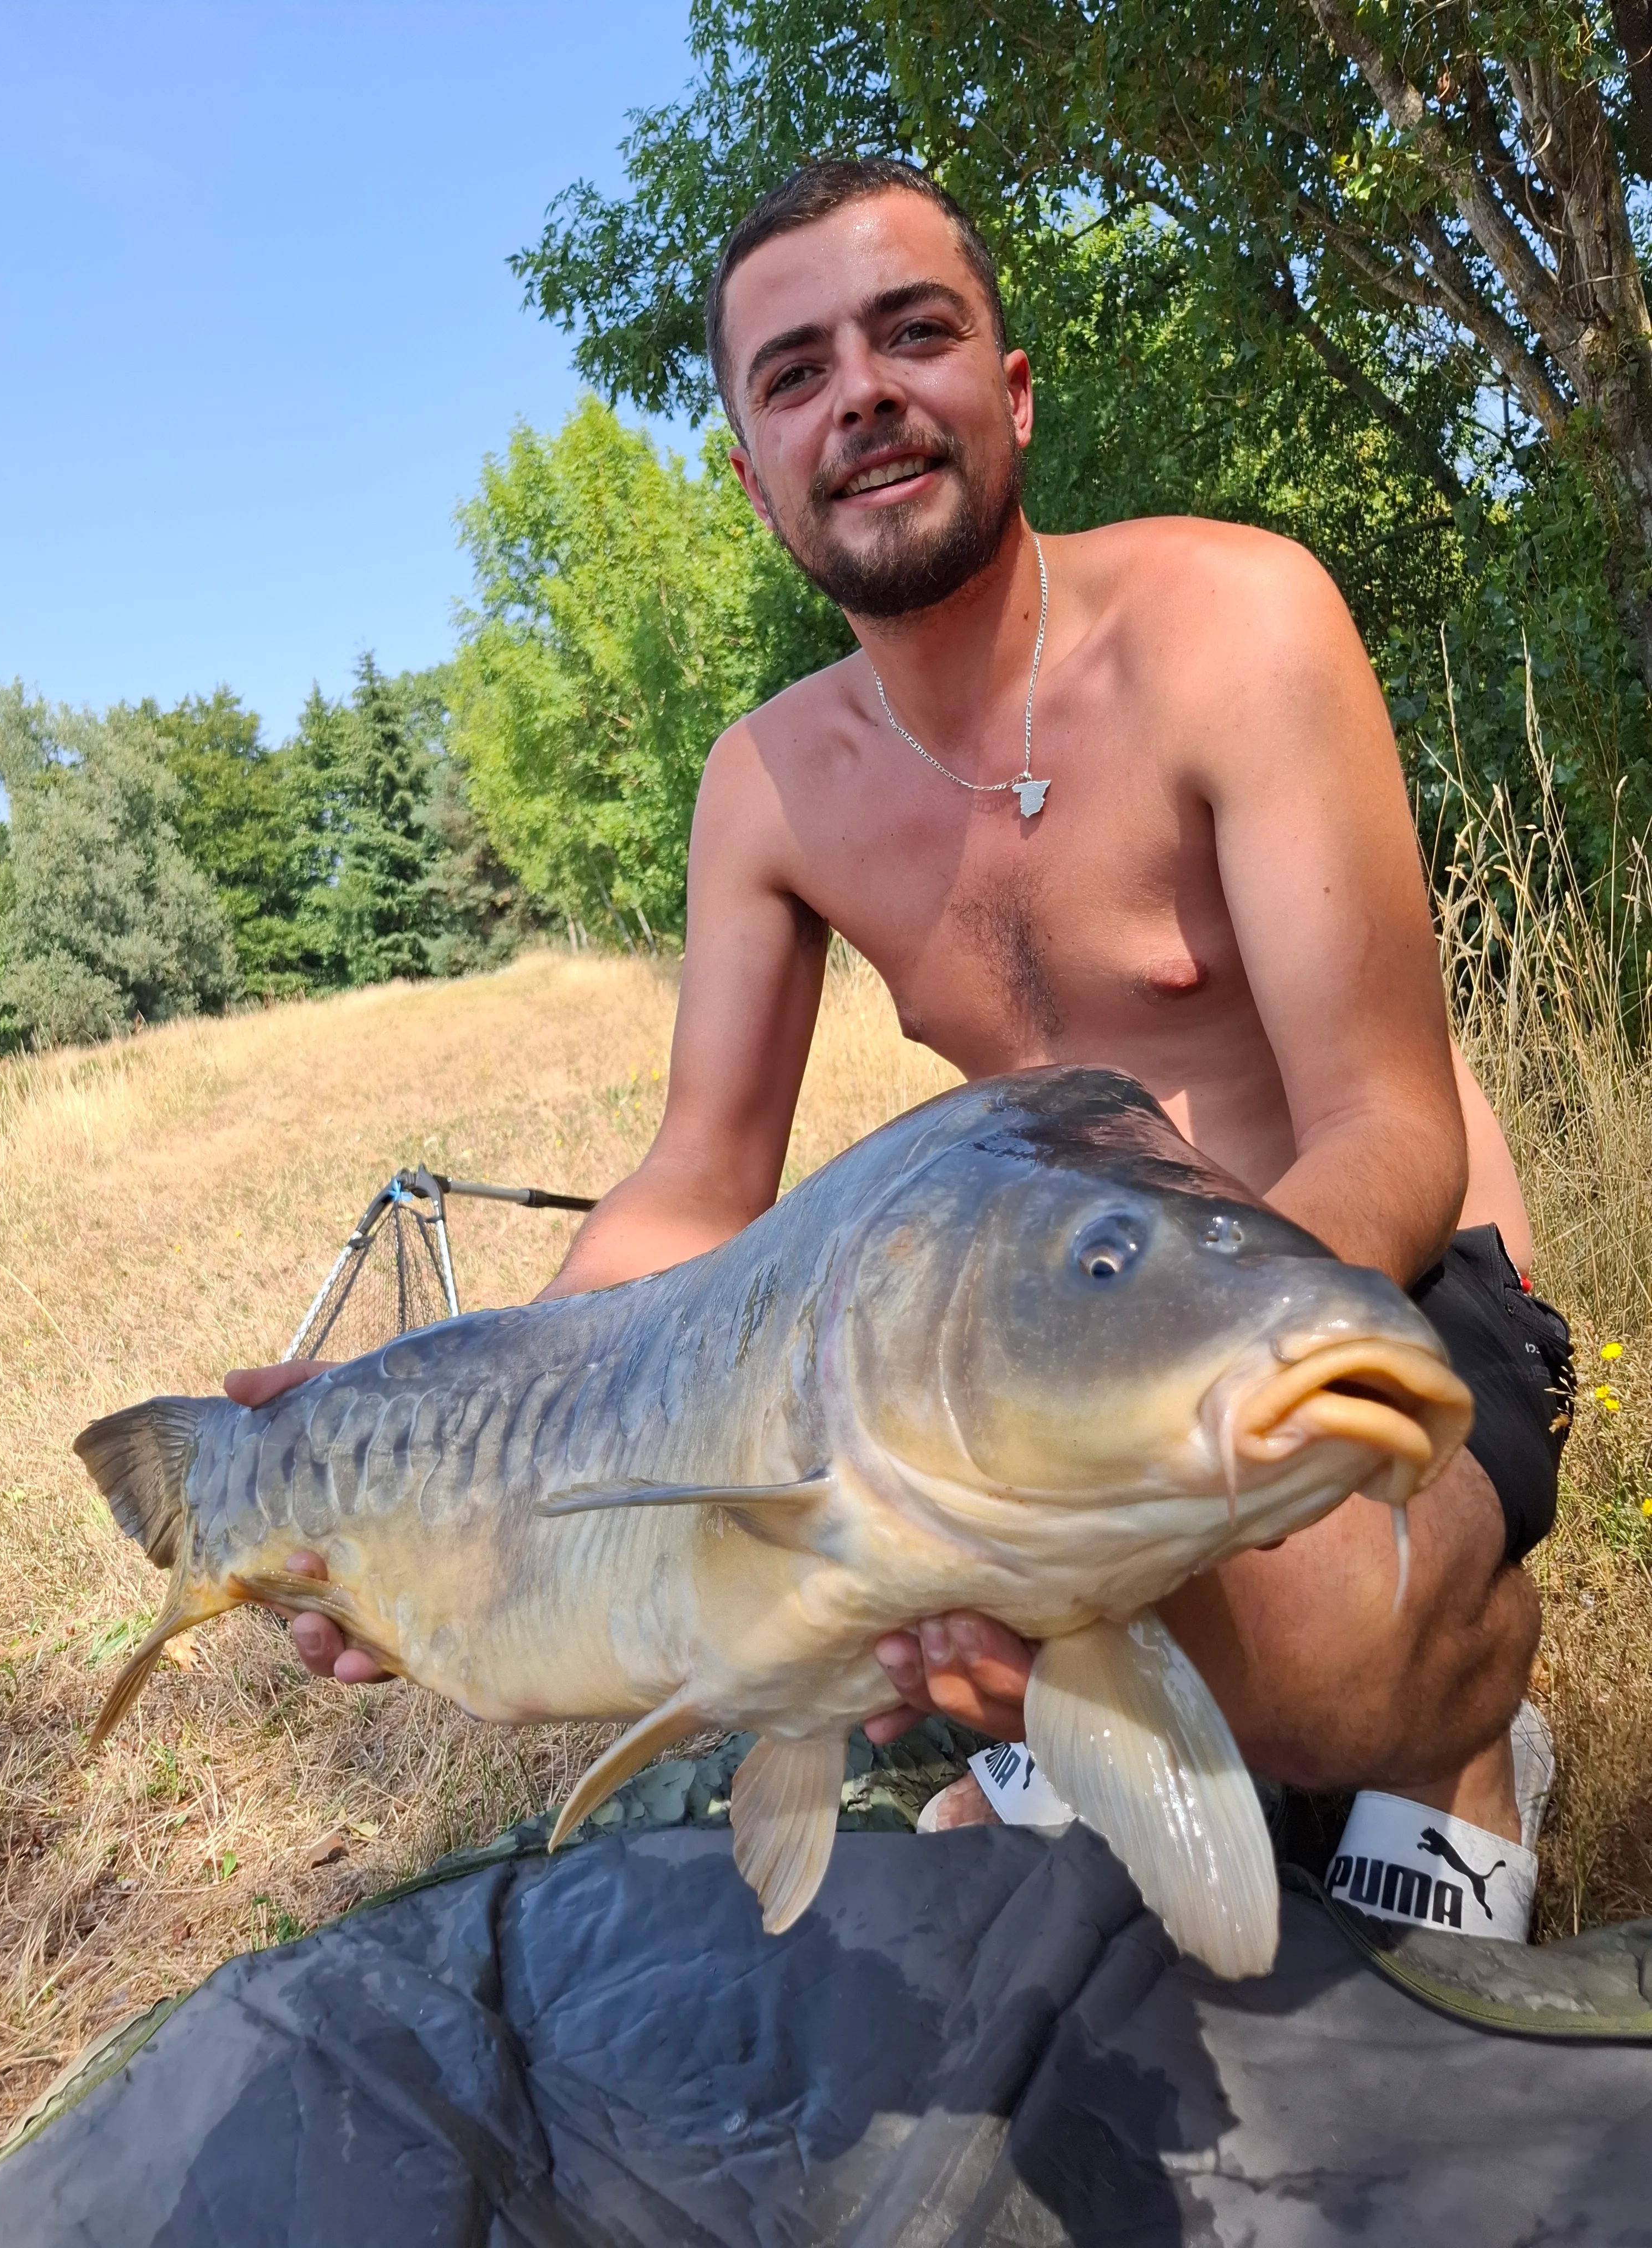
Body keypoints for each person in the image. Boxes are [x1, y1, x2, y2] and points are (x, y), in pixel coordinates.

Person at [232, 159, 1571, 1925]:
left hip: (1353, 1276)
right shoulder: (767, 785)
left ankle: (1453, 1742)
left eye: (912, 334)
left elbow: (1389, 1127)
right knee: (810, 1550)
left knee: (1321, 1646)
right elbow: (692, 1189)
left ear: (1006, 392)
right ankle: (1086, 1711)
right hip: (1037, 1331)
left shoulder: (1234, 623)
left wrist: (1188, 1394)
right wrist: (453, 1426)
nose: (856, 391)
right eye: (791, 373)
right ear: (748, 467)